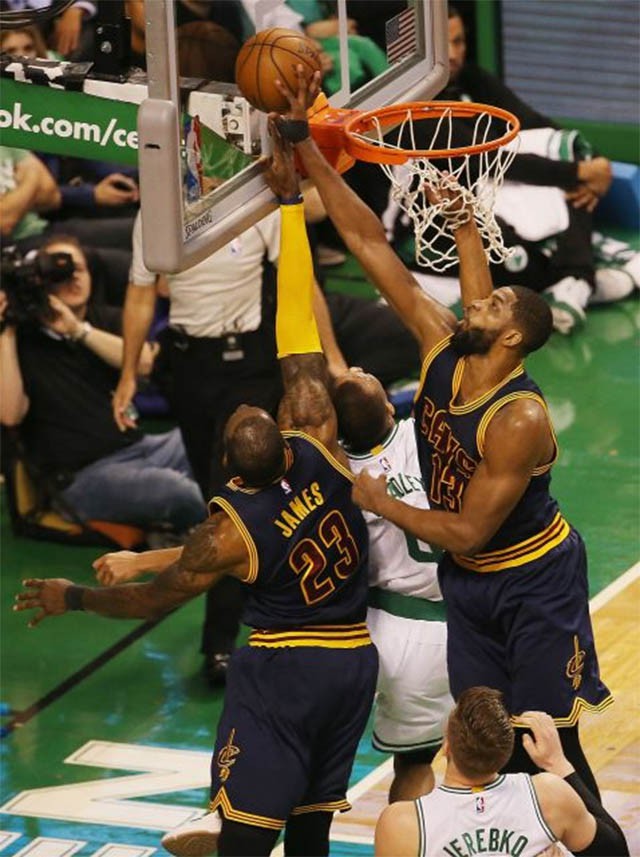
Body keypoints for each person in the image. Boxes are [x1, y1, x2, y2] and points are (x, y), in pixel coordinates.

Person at [15, 138, 378, 857]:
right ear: (282, 431)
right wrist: (287, 206)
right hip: (353, 659)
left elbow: (152, 605)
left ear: (229, 471)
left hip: (285, 670)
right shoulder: (318, 444)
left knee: (243, 836)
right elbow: (300, 338)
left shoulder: (229, 528)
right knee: (312, 830)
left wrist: (75, 596)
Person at [275, 68, 611, 795]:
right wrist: (310, 155)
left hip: (532, 577)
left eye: (488, 312)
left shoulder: (520, 417)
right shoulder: (441, 346)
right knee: (481, 746)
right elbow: (369, 244)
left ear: (514, 339)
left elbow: (466, 531)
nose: (471, 307)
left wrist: (377, 500)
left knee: (547, 747)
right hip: (470, 587)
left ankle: (596, 841)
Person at [391, 5, 638, 334]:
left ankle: (574, 281)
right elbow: (479, 159)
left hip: (496, 198)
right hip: (439, 227)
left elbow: (540, 126)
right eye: (442, 45)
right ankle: (579, 280)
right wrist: (580, 173)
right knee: (523, 260)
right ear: (415, 52)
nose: (452, 54)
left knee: (560, 150)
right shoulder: (410, 106)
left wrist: (591, 164)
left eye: (459, 42)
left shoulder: (473, 79)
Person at [0, 234, 206, 534]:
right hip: (83, 476)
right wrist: (5, 331)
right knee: (180, 493)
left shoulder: (103, 319)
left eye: (79, 269)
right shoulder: (21, 340)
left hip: (142, 446)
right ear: (39, 279)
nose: (73, 278)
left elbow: (147, 362)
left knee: (209, 433)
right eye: (59, 270)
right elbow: (9, 414)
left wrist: (78, 330)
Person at [333, 367, 453, 802]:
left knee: (409, 764)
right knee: (472, 754)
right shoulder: (429, 440)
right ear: (389, 406)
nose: (357, 367)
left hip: (389, 629)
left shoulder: (339, 475)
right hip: (465, 619)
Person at [375, 687, 629, 856]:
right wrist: (558, 763)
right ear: (506, 752)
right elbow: (615, 852)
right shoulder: (548, 796)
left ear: (446, 746)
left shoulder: (402, 823)